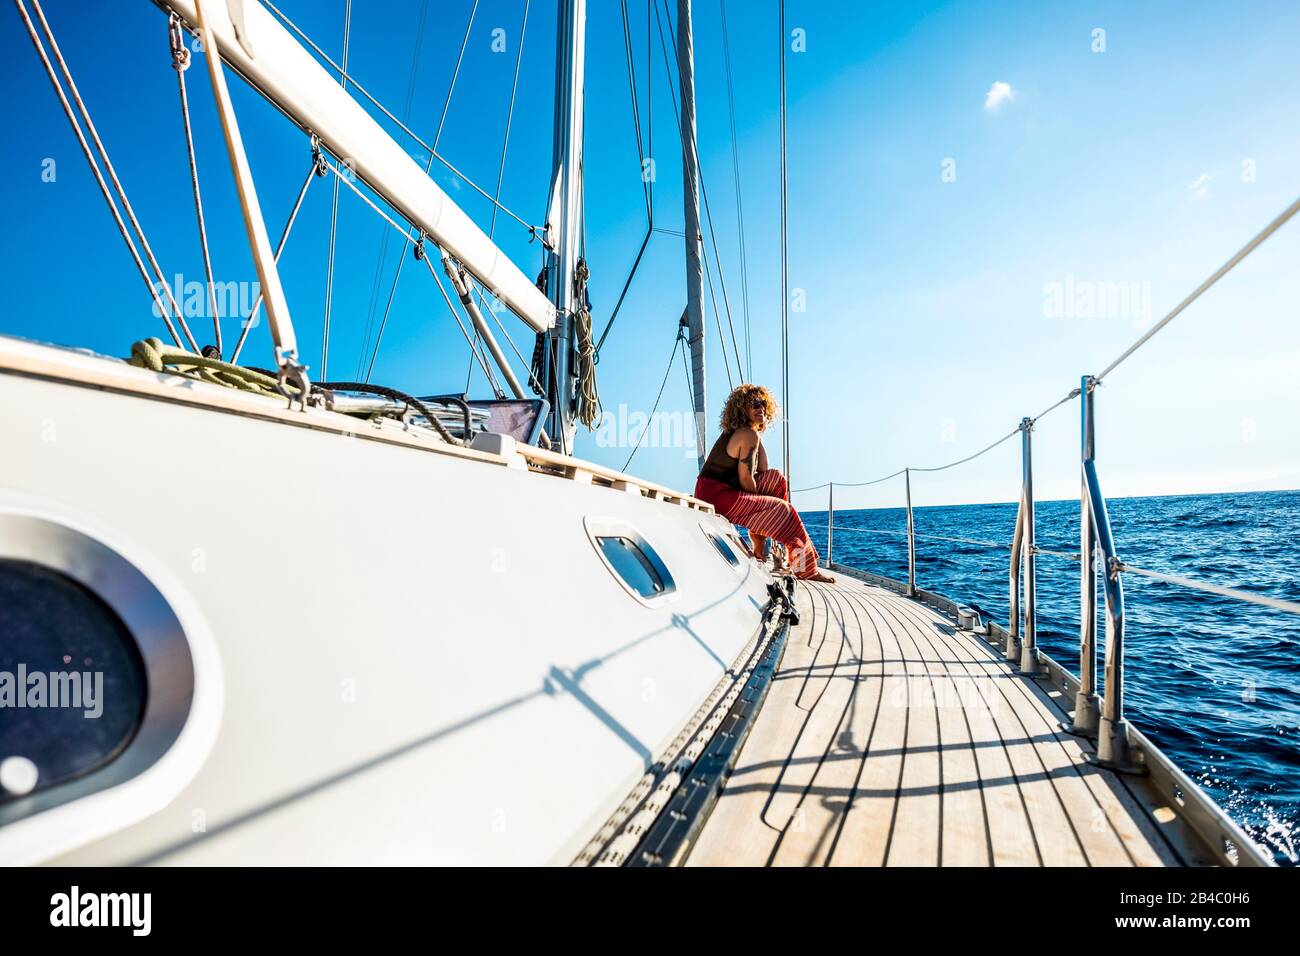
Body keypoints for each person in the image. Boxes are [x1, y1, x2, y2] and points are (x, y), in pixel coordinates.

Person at [693, 384, 834, 583]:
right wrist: (765, 503)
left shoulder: (750, 433)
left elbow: (764, 470)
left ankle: (759, 548)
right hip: (716, 495)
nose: (761, 408)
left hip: (718, 490)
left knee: (777, 479)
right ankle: (805, 570)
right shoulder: (745, 434)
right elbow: (745, 478)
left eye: (763, 404)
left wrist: (758, 430)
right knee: (785, 511)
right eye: (755, 404)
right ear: (742, 408)